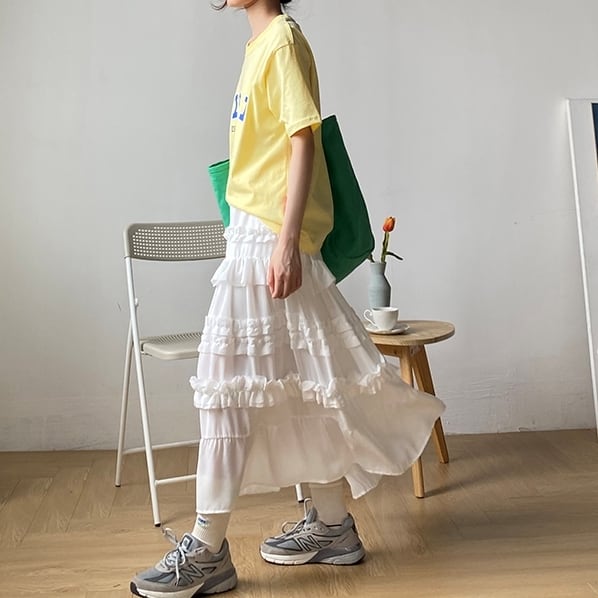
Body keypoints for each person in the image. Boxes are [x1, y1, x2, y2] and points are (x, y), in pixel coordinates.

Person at [130, 1, 445, 596]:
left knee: (226, 390)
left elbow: (304, 141)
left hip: (267, 238)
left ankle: (207, 548)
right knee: (302, 383)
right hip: (254, 232)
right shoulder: (263, 45)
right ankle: (333, 526)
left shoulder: (281, 41)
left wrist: (284, 243)